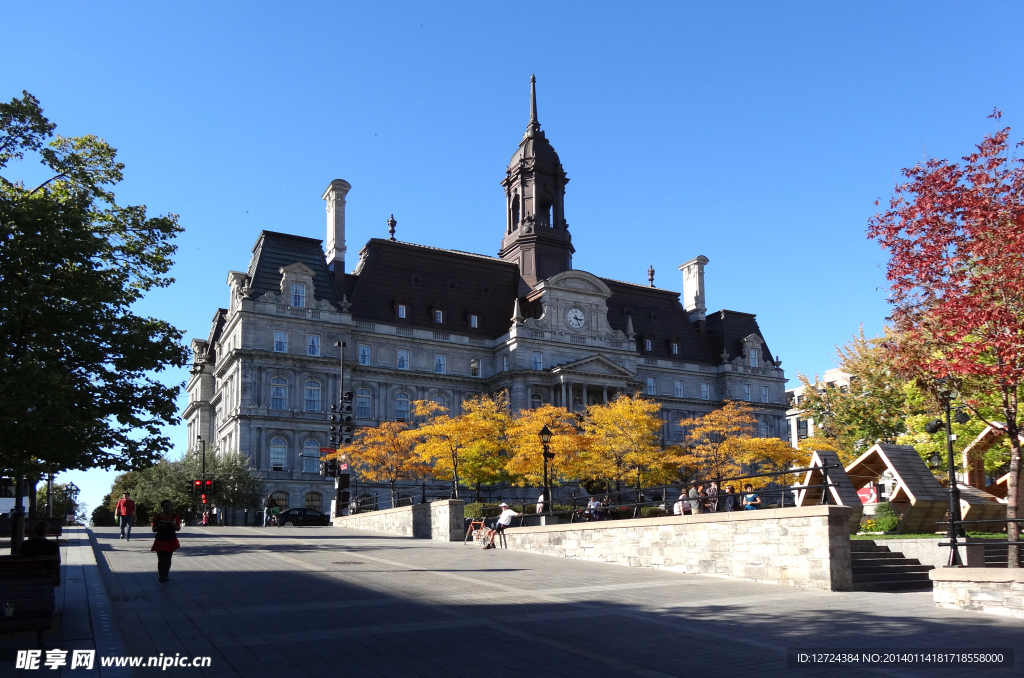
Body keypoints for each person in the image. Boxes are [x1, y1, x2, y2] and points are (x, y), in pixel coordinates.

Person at [20, 521, 61, 585]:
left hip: (29, 576)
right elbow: (57, 562)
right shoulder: (53, 545)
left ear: (35, 531)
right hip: (46, 575)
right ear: (47, 532)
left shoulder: (25, 544)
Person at [151, 500, 182, 583]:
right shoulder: (158, 516)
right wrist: (160, 526)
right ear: (162, 507)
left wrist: (172, 524)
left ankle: (166, 575)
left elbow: (178, 528)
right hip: (160, 539)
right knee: (161, 559)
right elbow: (154, 529)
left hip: (171, 539)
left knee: (168, 558)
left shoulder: (175, 516)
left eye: (168, 506)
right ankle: (161, 575)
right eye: (165, 506)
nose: (167, 507)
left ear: (171, 506)